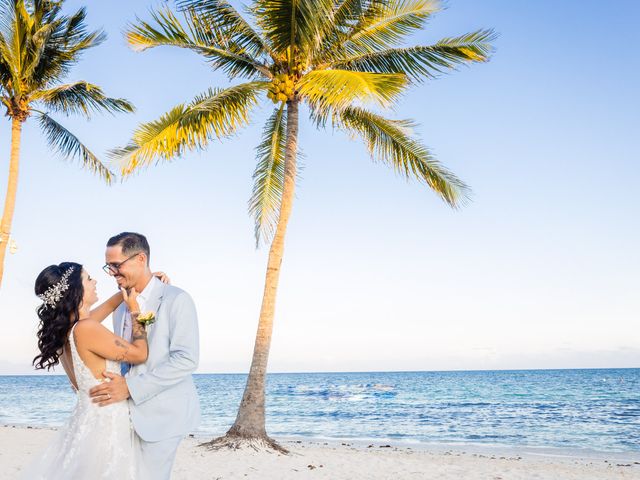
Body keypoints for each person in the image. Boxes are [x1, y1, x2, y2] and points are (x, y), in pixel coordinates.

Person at [23, 262, 161, 479]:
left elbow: (104, 309)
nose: (95, 281)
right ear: (75, 290)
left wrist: (138, 286)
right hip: (108, 421)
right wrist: (136, 310)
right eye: (88, 279)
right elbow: (140, 353)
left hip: (87, 418)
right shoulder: (86, 329)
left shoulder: (67, 331)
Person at [89, 232, 200, 480]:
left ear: (140, 258)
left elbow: (186, 359)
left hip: (163, 415)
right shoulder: (121, 304)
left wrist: (130, 387)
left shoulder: (176, 299)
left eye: (117, 265)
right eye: (109, 267)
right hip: (123, 413)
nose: (113, 273)